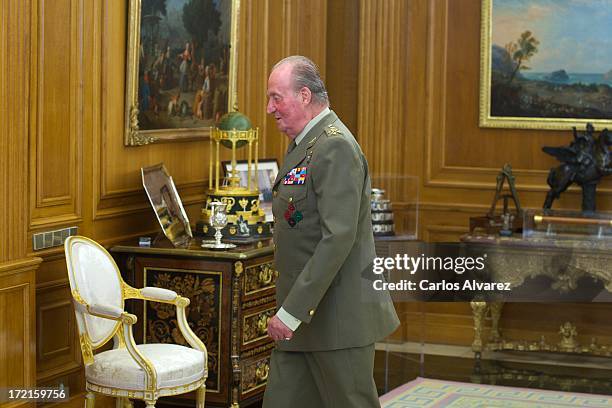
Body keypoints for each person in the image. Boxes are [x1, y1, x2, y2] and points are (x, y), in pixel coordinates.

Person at [263, 55, 399, 407]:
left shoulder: (334, 146)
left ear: (305, 95)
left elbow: (337, 238)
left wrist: (291, 311)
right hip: (303, 320)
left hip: (336, 320)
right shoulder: (306, 145)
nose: (269, 109)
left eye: (277, 97)